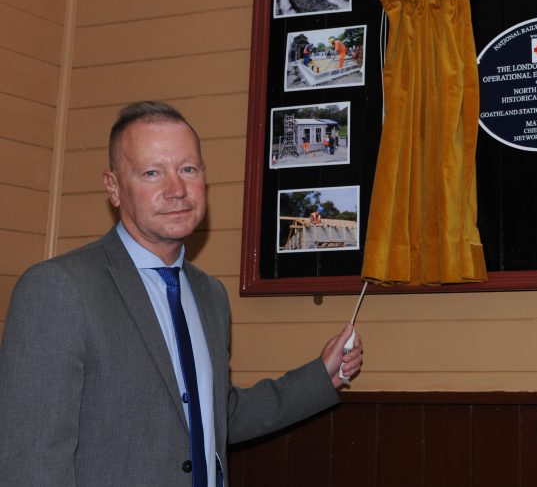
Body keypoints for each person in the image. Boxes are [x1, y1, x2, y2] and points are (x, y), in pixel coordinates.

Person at [0, 101, 364, 486]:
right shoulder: (58, 289)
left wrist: (320, 377)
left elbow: (215, 416)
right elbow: (30, 462)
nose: (176, 189)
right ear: (113, 187)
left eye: (188, 169)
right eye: (152, 172)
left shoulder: (210, 295)